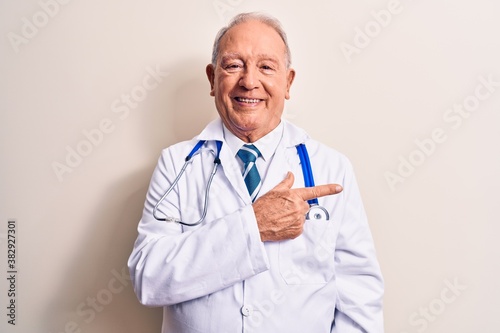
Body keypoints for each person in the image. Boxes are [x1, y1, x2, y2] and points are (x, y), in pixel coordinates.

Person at [128, 12, 384, 333]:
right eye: (233, 65)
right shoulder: (177, 164)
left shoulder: (331, 168)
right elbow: (148, 279)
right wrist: (254, 225)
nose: (249, 81)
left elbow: (358, 294)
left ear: (288, 82)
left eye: (266, 67)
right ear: (212, 79)